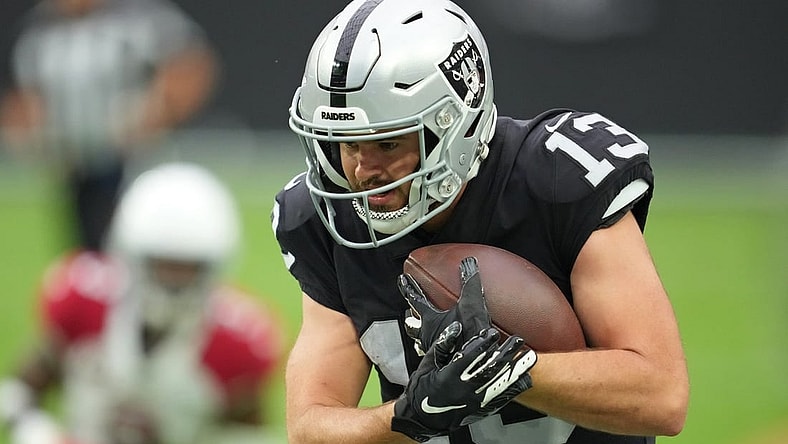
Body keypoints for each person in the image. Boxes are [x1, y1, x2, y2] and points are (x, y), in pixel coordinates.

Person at [271, 0, 689, 443]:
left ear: (455, 125)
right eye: (346, 145)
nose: (361, 171)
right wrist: (411, 415)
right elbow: (311, 427)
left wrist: (502, 370)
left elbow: (662, 396)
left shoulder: (555, 180)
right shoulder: (326, 219)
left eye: (388, 145)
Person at [0, 162, 284, 444]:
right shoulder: (84, 302)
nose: (174, 281)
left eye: (188, 268)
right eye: (163, 264)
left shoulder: (235, 342)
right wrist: (35, 430)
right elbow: (21, 390)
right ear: (132, 255)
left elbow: (249, 435)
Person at [0, 0, 218, 251]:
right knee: (88, 251)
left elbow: (191, 65)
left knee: (141, 245)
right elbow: (21, 101)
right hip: (74, 167)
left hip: (133, 164)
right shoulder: (39, 30)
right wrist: (36, 143)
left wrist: (154, 116)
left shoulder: (137, 20)